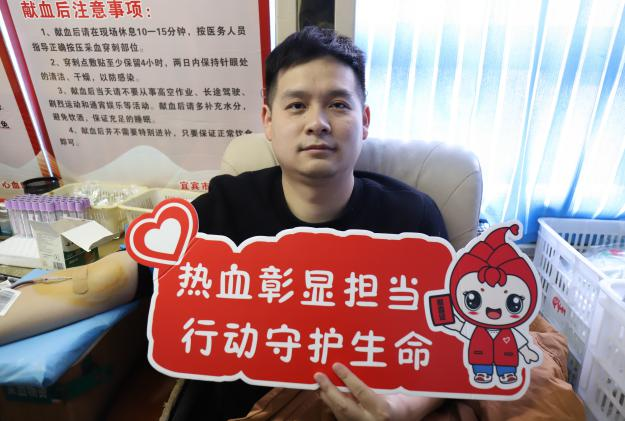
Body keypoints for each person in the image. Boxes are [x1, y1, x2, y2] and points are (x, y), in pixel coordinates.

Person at [0, 26, 584, 421]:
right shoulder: (222, 209)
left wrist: (401, 406)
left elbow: (455, 342)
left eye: (338, 104)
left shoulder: (412, 219)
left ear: (365, 119)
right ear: (268, 121)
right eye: (297, 104)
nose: (317, 122)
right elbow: (108, 279)